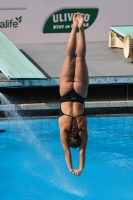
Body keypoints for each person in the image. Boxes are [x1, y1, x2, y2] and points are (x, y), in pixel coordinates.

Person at [58, 12, 88, 176]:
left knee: (80, 58)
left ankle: (81, 28)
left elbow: (82, 152)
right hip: (65, 93)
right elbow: (66, 152)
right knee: (70, 57)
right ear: (70, 138)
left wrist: (81, 167)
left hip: (80, 94)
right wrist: (71, 168)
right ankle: (73, 27)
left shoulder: (83, 129)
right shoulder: (64, 129)